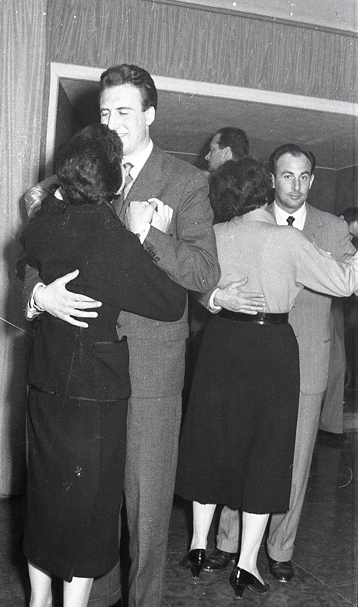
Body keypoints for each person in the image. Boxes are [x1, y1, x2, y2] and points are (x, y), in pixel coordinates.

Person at [23, 63, 224, 607]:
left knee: (146, 505)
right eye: (105, 112)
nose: (112, 123)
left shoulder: (186, 182)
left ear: (151, 115)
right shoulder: (76, 175)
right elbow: (32, 253)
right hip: (83, 373)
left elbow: (205, 272)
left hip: (151, 367)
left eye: (125, 111)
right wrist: (40, 295)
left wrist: (152, 232)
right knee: (87, 503)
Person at [175, 157, 358, 598]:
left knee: (211, 442)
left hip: (221, 344)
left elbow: (194, 281)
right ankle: (246, 565)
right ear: (265, 190)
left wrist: (216, 297)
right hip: (270, 347)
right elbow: (344, 283)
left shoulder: (216, 234)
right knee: (266, 452)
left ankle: (198, 547)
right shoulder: (288, 239)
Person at [319, 207, 358, 445]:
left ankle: (330, 426)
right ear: (340, 221)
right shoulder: (322, 233)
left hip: (335, 305)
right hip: (316, 304)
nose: (350, 241)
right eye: (350, 234)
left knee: (337, 366)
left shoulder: (344, 243)